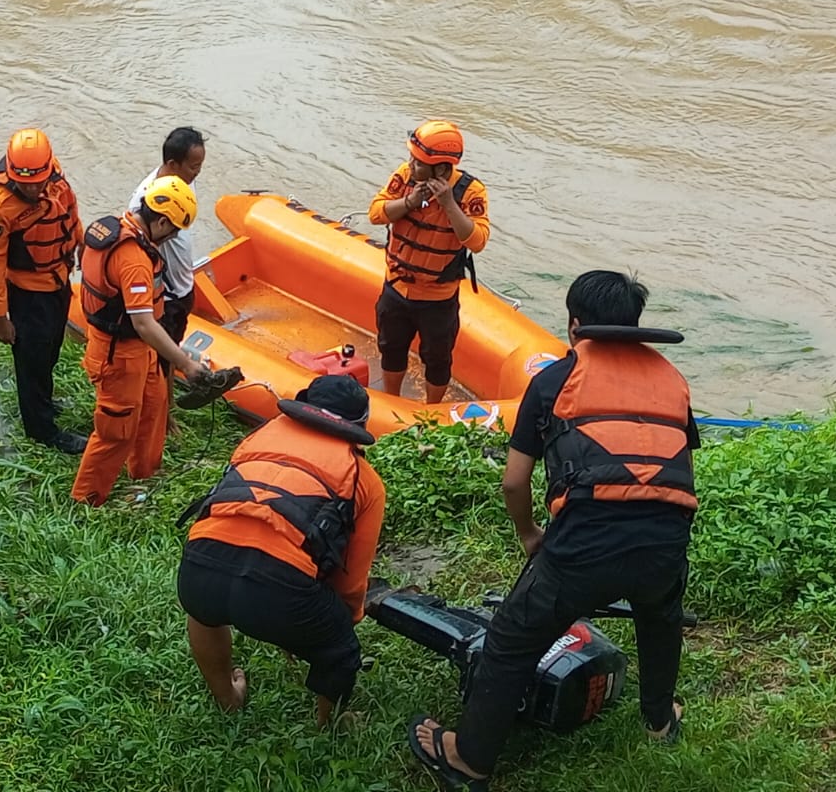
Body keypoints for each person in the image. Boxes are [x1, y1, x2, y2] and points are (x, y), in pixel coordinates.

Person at [407, 271, 699, 791]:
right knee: (660, 621)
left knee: (510, 642)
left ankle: (468, 761)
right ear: (634, 326)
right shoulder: (672, 381)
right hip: (665, 545)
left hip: (582, 549)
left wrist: (528, 533)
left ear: (574, 325)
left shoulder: (553, 381)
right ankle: (659, 721)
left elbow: (514, 481)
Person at [176, 374, 385, 725]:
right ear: (359, 424)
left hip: (199, 566)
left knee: (203, 612)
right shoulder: (364, 480)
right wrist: (319, 628)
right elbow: (350, 582)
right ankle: (331, 723)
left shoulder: (258, 438)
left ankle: (228, 697)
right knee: (339, 645)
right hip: (279, 588)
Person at [71, 175, 212, 506]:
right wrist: (185, 363)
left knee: (153, 410)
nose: (174, 237)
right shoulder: (133, 258)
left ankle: (145, 477)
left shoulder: (116, 229)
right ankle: (86, 501)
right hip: (119, 354)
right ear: (161, 221)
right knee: (115, 432)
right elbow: (144, 323)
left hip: (139, 351)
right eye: (174, 230)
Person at [0, 128, 88, 455]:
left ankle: (44, 402)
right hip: (27, 294)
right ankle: (42, 431)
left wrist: (81, 246)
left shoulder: (55, 179)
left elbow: (70, 214)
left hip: (58, 280)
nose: (33, 187)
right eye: (25, 182)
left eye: (38, 181)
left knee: (51, 349)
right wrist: (1, 317)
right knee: (32, 360)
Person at [367, 120, 491, 405]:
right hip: (396, 287)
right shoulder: (405, 176)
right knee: (391, 346)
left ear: (441, 168)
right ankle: (391, 402)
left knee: (437, 358)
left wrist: (448, 204)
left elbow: (477, 241)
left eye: (418, 161)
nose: (411, 164)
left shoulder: (471, 193)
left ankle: (432, 409)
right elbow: (376, 213)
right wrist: (410, 201)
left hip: (438, 297)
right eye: (412, 157)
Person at [129, 127, 206, 363]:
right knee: (159, 362)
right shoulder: (145, 201)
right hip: (165, 295)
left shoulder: (182, 183)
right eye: (194, 167)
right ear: (173, 164)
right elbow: (135, 249)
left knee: (172, 350)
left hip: (183, 287)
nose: (198, 172)